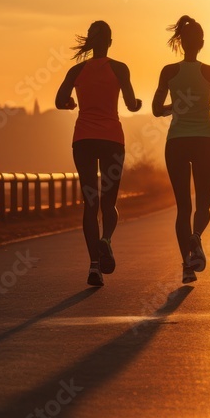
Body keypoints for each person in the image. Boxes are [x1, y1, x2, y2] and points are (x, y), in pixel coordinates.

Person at [55, 20, 142, 286]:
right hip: (112, 140)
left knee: (90, 203)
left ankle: (94, 266)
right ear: (111, 42)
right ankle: (106, 240)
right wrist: (137, 103)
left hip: (83, 140)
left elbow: (60, 101)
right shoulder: (119, 68)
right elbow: (131, 103)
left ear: (91, 43)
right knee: (109, 201)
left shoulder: (76, 70)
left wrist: (71, 103)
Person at [152, 15, 210, 284]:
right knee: (203, 205)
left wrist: (173, 107)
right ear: (202, 43)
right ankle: (196, 238)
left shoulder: (168, 72)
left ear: (181, 43)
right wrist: (209, 107)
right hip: (204, 141)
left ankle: (186, 266)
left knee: (182, 207)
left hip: (176, 141)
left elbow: (155, 109)